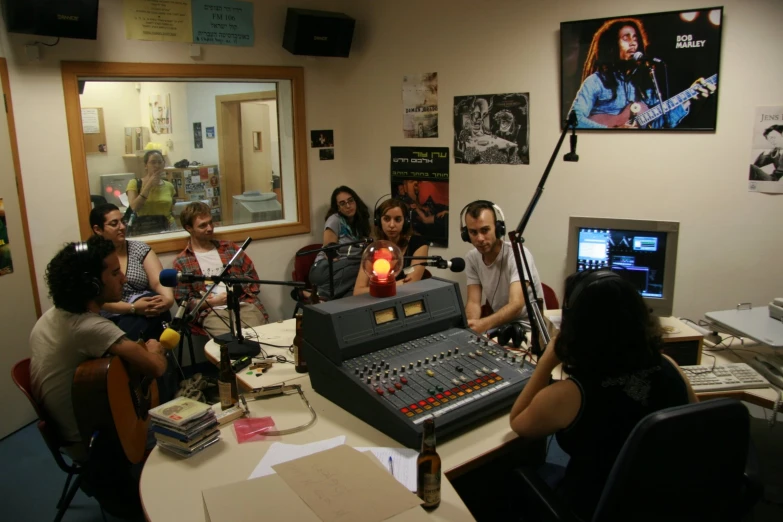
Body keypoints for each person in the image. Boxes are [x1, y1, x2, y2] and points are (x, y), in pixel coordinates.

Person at [508, 270, 697, 520]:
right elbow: (696, 427)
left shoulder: (570, 395)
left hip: (593, 509)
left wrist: (548, 358)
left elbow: (518, 421)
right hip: (665, 506)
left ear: (576, 326)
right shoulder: (671, 368)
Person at [29, 236, 167, 516]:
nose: (124, 278)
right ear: (92, 284)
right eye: (115, 273)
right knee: (186, 426)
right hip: (98, 447)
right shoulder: (90, 328)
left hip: (74, 433)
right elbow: (156, 368)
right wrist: (156, 348)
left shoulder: (51, 316)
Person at [571, 18, 715, 129]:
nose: (633, 43)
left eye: (635, 38)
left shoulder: (645, 83)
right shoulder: (595, 81)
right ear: (611, 46)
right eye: (626, 38)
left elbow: (660, 123)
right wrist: (611, 129)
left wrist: (688, 98)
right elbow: (574, 120)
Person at [172, 202, 269, 337]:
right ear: (189, 228)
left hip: (242, 305)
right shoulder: (181, 261)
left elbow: (253, 280)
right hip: (212, 312)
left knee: (260, 337)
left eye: (211, 223)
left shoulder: (230, 249)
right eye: (203, 225)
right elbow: (183, 303)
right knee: (230, 342)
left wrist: (235, 292)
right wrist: (209, 302)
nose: (210, 228)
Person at [90, 204, 174, 341]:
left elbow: (158, 280)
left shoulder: (139, 249)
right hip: (114, 315)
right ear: (98, 229)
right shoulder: (92, 256)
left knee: (156, 309)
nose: (122, 227)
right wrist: (133, 308)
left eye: (122, 221)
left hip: (147, 308)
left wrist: (168, 300)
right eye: (114, 224)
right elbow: (99, 301)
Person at [462, 200, 543, 336]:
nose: (480, 238)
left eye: (485, 230)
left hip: (529, 331)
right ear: (466, 234)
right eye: (473, 232)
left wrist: (483, 324)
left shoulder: (517, 254)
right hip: (501, 328)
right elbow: (473, 302)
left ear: (498, 229)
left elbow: (516, 305)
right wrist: (470, 326)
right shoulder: (472, 258)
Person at [353, 198, 429, 295]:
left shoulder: (419, 244)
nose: (392, 225)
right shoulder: (372, 249)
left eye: (397, 219)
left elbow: (410, 285)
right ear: (378, 221)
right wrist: (397, 284)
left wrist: (377, 288)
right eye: (387, 219)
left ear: (405, 222)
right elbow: (358, 291)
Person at [309, 186, 371, 299]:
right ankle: (318, 295)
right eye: (343, 203)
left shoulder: (360, 222)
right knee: (365, 265)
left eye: (350, 201)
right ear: (338, 208)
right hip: (325, 269)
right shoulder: (334, 219)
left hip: (344, 271)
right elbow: (330, 254)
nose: (348, 206)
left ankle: (318, 295)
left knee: (351, 290)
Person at [125, 150, 177, 234]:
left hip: (168, 227)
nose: (157, 165)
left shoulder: (169, 186)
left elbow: (171, 209)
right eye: (153, 162)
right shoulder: (134, 183)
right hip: (144, 227)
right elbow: (134, 207)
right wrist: (149, 184)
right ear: (146, 165)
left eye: (160, 162)